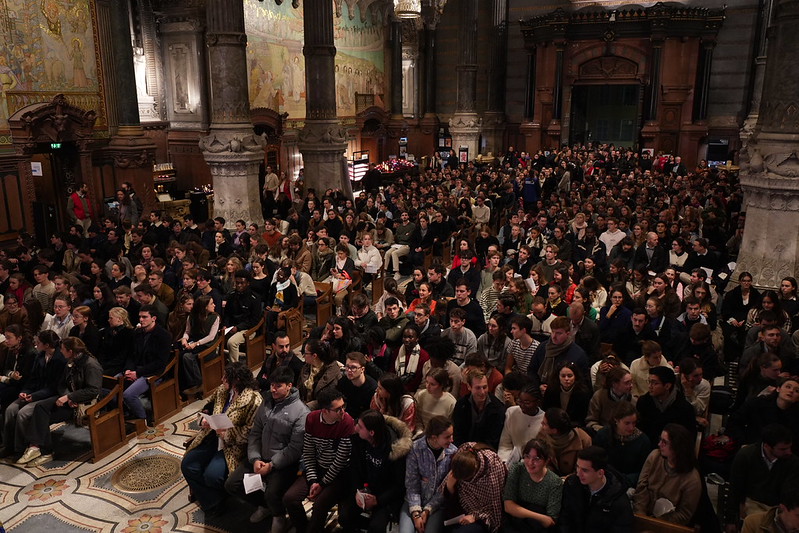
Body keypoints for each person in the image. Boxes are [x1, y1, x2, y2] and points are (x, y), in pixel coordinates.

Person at [224, 366, 309, 529]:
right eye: (271, 385)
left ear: (289, 386)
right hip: (261, 456)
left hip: (283, 464)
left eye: (278, 386)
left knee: (272, 492)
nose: (273, 389)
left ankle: (278, 515)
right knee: (232, 484)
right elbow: (255, 433)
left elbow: (294, 448)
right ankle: (265, 506)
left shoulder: (301, 412)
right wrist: (255, 458)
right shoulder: (266, 402)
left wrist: (271, 465)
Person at [182, 362, 263, 517]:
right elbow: (206, 408)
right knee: (188, 465)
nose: (221, 380)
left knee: (212, 476)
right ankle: (214, 501)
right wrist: (204, 419)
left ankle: (216, 499)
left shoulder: (254, 400)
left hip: (234, 446)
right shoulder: (222, 391)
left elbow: (252, 432)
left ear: (236, 379)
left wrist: (228, 434)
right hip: (212, 437)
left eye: (226, 377)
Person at [15, 337, 102, 465]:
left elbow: (93, 390)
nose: (60, 352)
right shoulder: (70, 361)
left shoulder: (91, 364)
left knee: (43, 417)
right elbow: (61, 385)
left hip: (85, 404)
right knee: (40, 407)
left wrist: (71, 397)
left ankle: (44, 451)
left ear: (70, 351)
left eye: (62, 349)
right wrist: (68, 396)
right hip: (70, 400)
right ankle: (36, 448)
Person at [282, 388, 354, 533]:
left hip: (339, 474)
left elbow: (340, 460)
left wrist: (321, 484)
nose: (343, 411)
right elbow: (308, 452)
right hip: (318, 468)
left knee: (320, 505)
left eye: (343, 407)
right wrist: (313, 479)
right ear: (325, 411)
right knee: (290, 498)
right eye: (338, 409)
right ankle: (303, 528)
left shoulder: (347, 422)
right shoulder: (312, 419)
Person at [338, 409, 413, 533]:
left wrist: (378, 500)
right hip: (364, 489)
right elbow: (354, 468)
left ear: (371, 432)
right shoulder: (359, 439)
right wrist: (358, 490)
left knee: (376, 528)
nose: (356, 428)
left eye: (360, 427)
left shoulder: (395, 449)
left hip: (385, 495)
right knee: (345, 519)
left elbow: (399, 485)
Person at [728, 424, 799, 531]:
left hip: (779, 506)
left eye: (789, 447)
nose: (789, 452)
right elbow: (734, 489)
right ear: (767, 446)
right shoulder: (746, 456)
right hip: (752, 502)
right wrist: (731, 520)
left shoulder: (793, 462)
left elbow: (790, 493)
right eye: (783, 449)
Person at [634, 423, 702, 525]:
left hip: (666, 524)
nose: (659, 444)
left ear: (677, 447)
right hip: (643, 515)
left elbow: (684, 515)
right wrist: (641, 517)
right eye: (660, 440)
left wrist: (656, 524)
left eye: (664, 442)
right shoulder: (654, 457)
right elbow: (641, 489)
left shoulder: (692, 479)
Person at [399, 415, 457, 533]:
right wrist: (416, 513)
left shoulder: (453, 453)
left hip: (437, 505)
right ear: (434, 438)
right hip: (414, 500)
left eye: (451, 435)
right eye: (447, 437)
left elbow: (444, 489)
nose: (452, 440)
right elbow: (412, 484)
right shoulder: (415, 449)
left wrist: (427, 510)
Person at [560, 446, 634, 533]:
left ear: (600, 473)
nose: (578, 474)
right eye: (577, 467)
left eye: (585, 470)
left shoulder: (618, 500)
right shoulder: (572, 484)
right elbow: (565, 518)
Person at [121, 305, 171, 421]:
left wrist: (137, 373)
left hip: (152, 373)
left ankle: (142, 419)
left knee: (129, 395)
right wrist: (128, 369)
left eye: (144, 317)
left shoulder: (163, 336)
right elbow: (131, 355)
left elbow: (159, 362)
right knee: (112, 386)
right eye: (140, 317)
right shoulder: (137, 333)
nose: (141, 320)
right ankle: (128, 412)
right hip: (136, 369)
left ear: (153, 318)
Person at [443, 443, 508, 533]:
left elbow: (496, 506)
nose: (466, 483)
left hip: (484, 517)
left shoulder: (493, 468)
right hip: (461, 512)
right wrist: (450, 487)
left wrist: (475, 516)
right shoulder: (461, 458)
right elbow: (453, 502)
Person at [503, 438, 563, 532]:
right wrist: (539, 517)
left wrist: (520, 511)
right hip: (515, 524)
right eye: (527, 456)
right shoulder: (517, 469)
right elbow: (508, 506)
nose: (530, 462)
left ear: (546, 461)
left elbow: (550, 521)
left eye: (537, 459)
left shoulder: (555, 482)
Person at [593, 401, 651, 486]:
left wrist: (623, 480)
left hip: (630, 485)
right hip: (604, 481)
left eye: (634, 423)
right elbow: (596, 462)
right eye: (627, 423)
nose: (631, 427)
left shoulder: (642, 441)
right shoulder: (603, 435)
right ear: (616, 420)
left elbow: (643, 471)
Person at [636, 366, 697, 445]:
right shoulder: (643, 402)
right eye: (649, 382)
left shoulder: (684, 408)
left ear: (667, 386)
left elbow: (689, 437)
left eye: (655, 383)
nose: (650, 386)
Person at [528, 316, 590, 391]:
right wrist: (539, 385)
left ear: (568, 334)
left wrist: (553, 390)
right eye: (553, 332)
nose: (554, 336)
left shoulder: (578, 355)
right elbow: (532, 369)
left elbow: (581, 382)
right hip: (539, 389)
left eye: (558, 333)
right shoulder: (543, 347)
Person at [179, 294, 221, 395]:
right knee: (180, 355)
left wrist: (197, 344)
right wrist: (184, 339)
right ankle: (183, 385)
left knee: (188, 357)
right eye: (211, 303)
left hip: (208, 345)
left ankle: (198, 384)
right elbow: (187, 332)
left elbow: (211, 337)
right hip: (195, 342)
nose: (214, 305)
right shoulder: (192, 317)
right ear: (204, 306)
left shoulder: (215, 317)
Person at [453, 371, 506, 449]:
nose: (482, 392)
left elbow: (493, 440)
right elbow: (458, 434)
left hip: (486, 449)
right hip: (464, 448)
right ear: (469, 387)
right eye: (478, 388)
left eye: (484, 387)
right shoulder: (461, 404)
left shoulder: (498, 408)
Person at [537, 407, 592, 476]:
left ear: (554, 430)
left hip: (575, 479)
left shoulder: (583, 440)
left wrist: (565, 480)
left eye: (544, 423)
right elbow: (541, 460)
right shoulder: (542, 434)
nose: (541, 423)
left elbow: (584, 468)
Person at [498, 384, 545, 464]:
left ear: (537, 402)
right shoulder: (511, 412)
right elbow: (505, 444)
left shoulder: (544, 420)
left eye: (527, 402)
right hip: (510, 460)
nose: (522, 406)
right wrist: (505, 461)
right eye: (520, 401)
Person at [223, 270, 262, 363]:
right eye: (237, 283)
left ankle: (235, 367)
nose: (239, 285)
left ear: (248, 283)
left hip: (248, 329)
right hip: (232, 326)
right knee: (215, 339)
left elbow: (254, 320)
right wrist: (225, 325)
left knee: (232, 342)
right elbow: (227, 314)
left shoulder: (254, 298)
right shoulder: (231, 295)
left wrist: (238, 327)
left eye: (242, 283)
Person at [585, 366, 633, 433]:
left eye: (631, 382)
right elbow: (591, 421)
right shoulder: (599, 396)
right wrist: (606, 432)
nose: (631, 385)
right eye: (627, 383)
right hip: (602, 433)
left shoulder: (632, 398)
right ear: (614, 384)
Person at [299, 338, 341, 410]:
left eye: (306, 353)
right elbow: (299, 388)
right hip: (303, 406)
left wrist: (306, 407)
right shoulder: (306, 367)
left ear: (314, 356)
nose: (303, 356)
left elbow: (328, 399)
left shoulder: (333, 372)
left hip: (322, 410)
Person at [337, 351, 378, 420]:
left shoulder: (372, 388)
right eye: (347, 366)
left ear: (362, 369)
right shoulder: (343, 382)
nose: (349, 370)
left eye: (353, 367)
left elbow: (370, 415)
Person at [97, 307, 135, 376]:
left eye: (111, 318)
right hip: (106, 364)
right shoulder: (108, 331)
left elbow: (124, 355)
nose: (108, 320)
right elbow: (103, 350)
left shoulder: (129, 334)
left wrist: (106, 365)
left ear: (119, 319)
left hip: (119, 366)